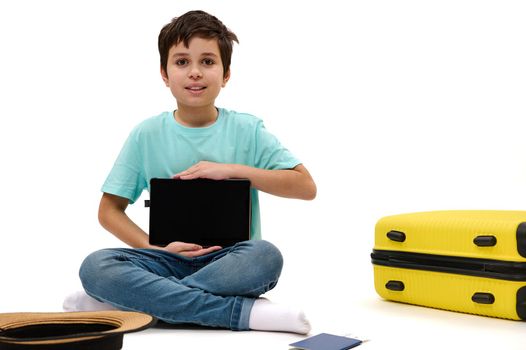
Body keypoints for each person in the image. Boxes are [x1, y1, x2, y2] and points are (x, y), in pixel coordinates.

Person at [64, 10, 316, 334]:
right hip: (165, 259)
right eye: (182, 62)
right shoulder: (146, 134)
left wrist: (232, 171)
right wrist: (151, 248)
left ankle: (130, 302)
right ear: (164, 73)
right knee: (96, 267)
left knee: (266, 256)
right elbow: (108, 210)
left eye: (208, 62)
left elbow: (305, 186)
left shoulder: (248, 129)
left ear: (226, 74)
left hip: (231, 262)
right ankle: (243, 313)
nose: (195, 72)